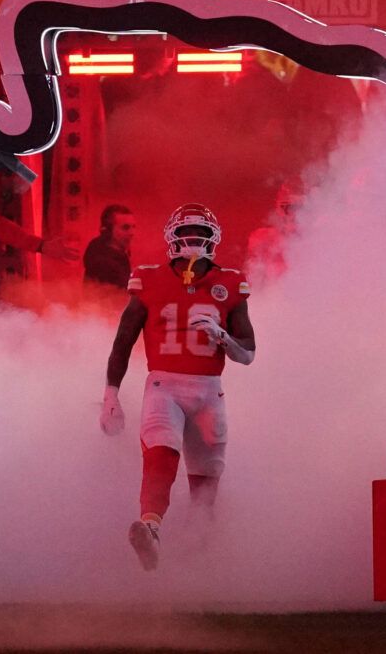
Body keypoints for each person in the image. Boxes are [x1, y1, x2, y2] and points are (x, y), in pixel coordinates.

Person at [100, 202, 256, 570]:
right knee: (160, 453)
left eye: (200, 234)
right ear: (172, 238)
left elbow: (247, 354)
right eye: (187, 233)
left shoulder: (230, 283)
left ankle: (199, 556)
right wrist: (111, 394)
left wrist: (223, 337)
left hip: (209, 389)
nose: (193, 240)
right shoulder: (150, 279)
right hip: (164, 384)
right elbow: (123, 341)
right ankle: (151, 527)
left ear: (212, 239)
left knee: (207, 477)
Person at [83, 203, 135, 291]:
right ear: (108, 230)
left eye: (133, 227)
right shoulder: (104, 265)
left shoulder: (115, 254)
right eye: (125, 227)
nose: (131, 233)